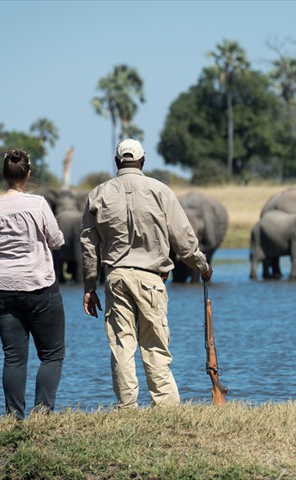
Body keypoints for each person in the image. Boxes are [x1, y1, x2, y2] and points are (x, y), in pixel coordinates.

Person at [80, 138, 213, 409]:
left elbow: (88, 245)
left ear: (117, 162)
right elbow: (184, 240)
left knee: (122, 346)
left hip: (116, 278)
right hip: (151, 279)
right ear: (142, 161)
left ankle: (127, 407)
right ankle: (165, 407)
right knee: (154, 345)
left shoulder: (98, 194)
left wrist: (89, 287)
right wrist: (202, 266)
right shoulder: (160, 191)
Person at [0, 149, 66, 420]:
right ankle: (42, 414)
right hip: (40, 287)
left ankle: (14, 418)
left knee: (14, 357)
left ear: (4, 175)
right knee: (51, 355)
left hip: (1, 289)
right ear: (28, 174)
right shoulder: (38, 204)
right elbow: (57, 241)